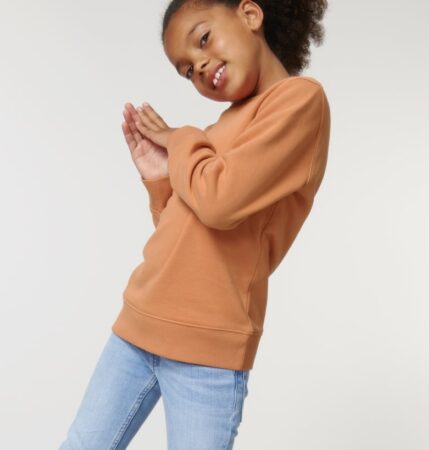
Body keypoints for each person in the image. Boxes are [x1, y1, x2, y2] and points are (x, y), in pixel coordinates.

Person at [59, 0, 330, 448]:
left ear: (250, 14)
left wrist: (180, 137)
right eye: (186, 71)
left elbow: (220, 203)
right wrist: (160, 181)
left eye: (203, 39)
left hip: (208, 349)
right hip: (138, 324)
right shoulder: (224, 125)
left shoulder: (300, 101)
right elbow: (190, 237)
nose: (199, 66)